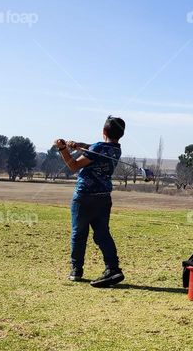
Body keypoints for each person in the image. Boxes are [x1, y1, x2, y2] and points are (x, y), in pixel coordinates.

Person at [55, 116, 126, 288]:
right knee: (102, 234)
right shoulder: (116, 149)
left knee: (78, 233)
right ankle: (113, 268)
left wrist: (62, 149)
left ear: (103, 132)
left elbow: (73, 165)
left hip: (84, 196)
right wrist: (80, 145)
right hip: (103, 198)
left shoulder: (98, 147)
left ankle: (76, 270)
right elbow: (95, 148)